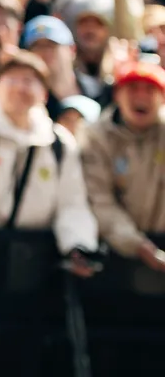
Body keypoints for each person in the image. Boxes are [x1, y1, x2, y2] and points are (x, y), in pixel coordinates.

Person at [0, 34, 97, 260]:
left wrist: (78, 245)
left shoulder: (59, 144)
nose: (21, 88)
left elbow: (72, 203)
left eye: (30, 81)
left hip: (32, 261)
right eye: (12, 79)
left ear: (44, 95)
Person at [79, 62, 165, 272]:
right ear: (117, 95)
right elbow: (99, 200)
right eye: (133, 88)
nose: (141, 96)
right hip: (116, 254)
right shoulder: (96, 137)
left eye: (150, 89)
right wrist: (135, 243)